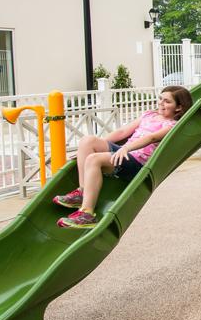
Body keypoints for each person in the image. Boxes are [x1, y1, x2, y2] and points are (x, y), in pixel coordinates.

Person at [52, 85, 193, 229]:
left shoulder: (172, 125)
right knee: (87, 141)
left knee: (93, 159)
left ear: (178, 108)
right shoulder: (149, 115)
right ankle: (82, 193)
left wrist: (126, 148)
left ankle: (87, 214)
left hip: (137, 163)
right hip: (125, 153)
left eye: (167, 101)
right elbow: (122, 131)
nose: (161, 103)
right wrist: (90, 147)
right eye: (160, 99)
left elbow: (152, 137)